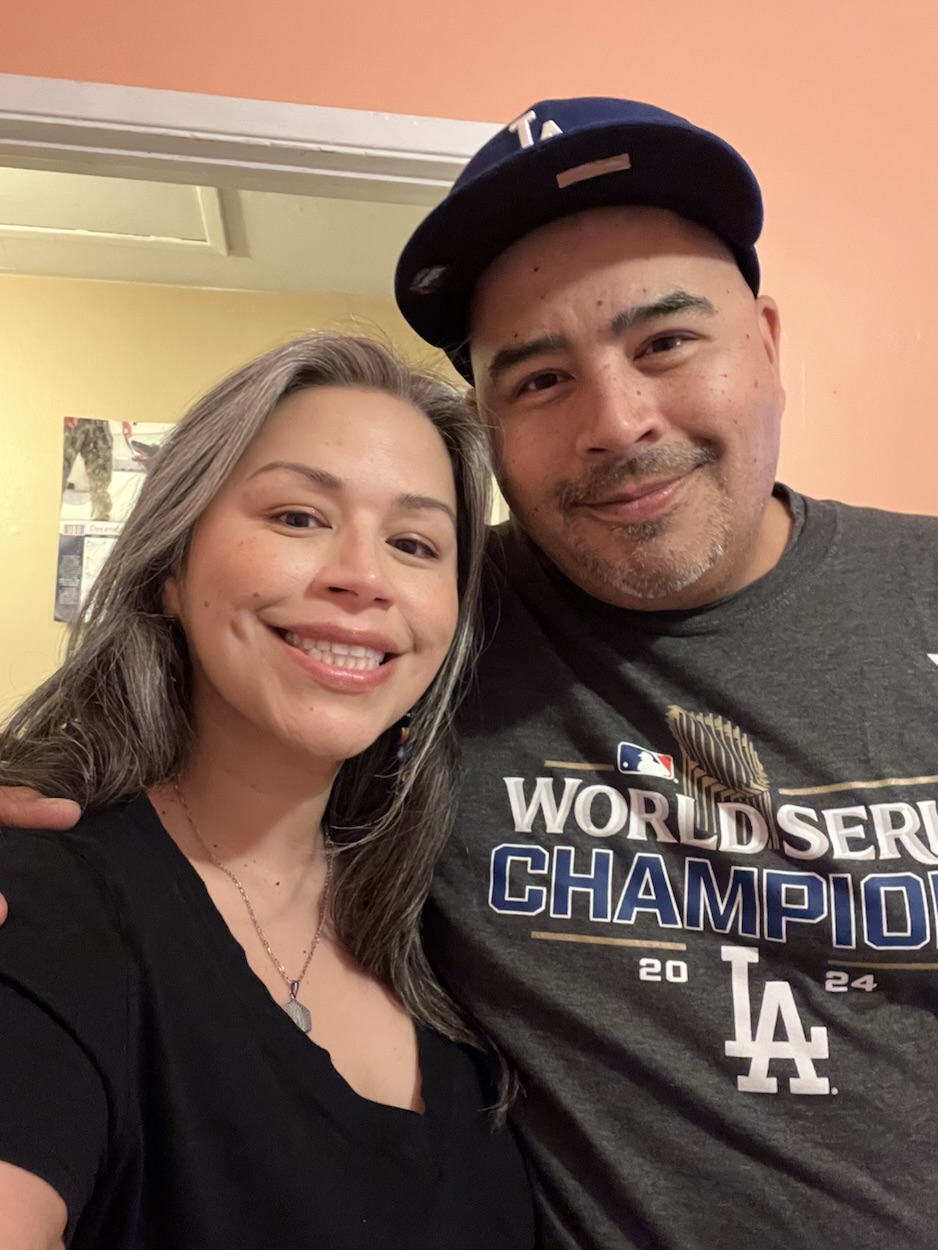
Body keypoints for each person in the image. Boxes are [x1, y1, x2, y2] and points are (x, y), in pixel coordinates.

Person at [4, 95, 938, 1250]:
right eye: (538, 378)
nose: (615, 417)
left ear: (766, 340)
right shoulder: (435, 626)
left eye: (665, 339)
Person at [0, 333, 534, 1249]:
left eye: (414, 542)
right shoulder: (45, 899)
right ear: (172, 567)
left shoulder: (458, 930)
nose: (363, 578)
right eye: (296, 517)